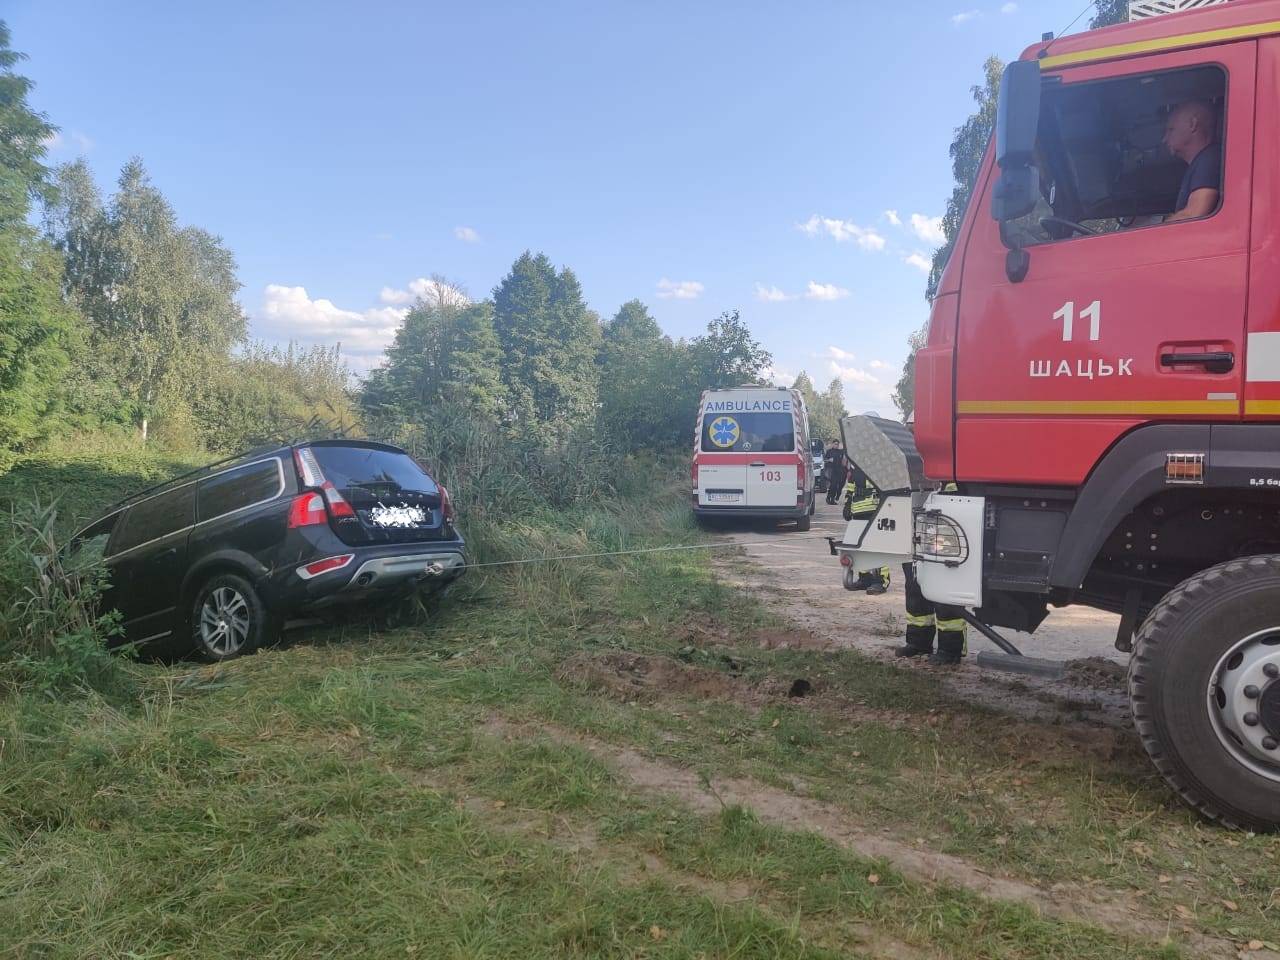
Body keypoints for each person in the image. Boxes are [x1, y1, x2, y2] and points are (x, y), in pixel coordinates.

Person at [896, 563, 967, 666]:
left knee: (946, 596)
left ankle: (951, 650)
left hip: (945, 557)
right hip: (914, 555)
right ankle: (918, 643)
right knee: (915, 592)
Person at [1162, 100, 1221, 223]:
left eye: (1171, 129)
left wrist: (1157, 229)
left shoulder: (1209, 160)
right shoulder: (1201, 161)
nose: (1164, 139)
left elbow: (1195, 214)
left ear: (1192, 125)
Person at [822, 441, 847, 505]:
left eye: (837, 444)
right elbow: (825, 460)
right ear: (832, 444)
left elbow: (845, 453)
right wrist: (829, 460)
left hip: (838, 471)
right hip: (831, 470)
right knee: (833, 485)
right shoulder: (829, 451)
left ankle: (830, 498)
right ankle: (830, 498)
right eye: (835, 444)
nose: (836, 445)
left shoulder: (840, 452)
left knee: (835, 486)